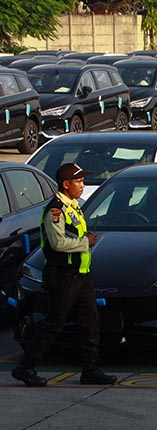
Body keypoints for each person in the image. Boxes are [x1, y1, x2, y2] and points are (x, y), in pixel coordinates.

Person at [11, 163, 116, 387]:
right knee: (54, 323)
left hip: (81, 275)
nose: (82, 185)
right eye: (78, 181)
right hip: (63, 276)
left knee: (91, 323)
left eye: (82, 180)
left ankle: (90, 369)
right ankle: (25, 367)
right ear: (66, 184)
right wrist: (84, 242)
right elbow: (57, 243)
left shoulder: (73, 206)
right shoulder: (55, 210)